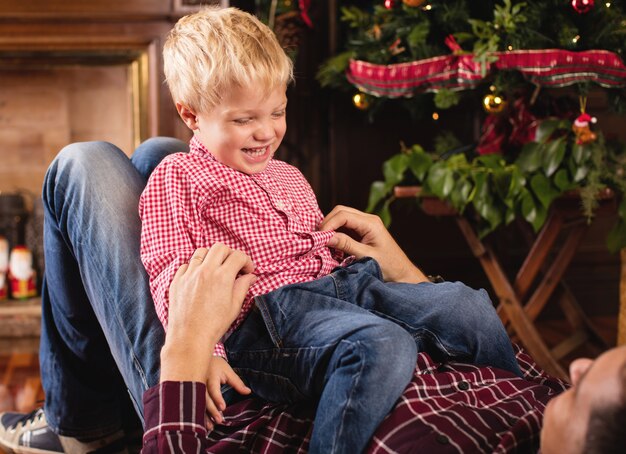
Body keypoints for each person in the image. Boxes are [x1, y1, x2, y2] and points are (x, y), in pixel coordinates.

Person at [0, 137, 620, 453]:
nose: (578, 364)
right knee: (172, 159)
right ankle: (80, 424)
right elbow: (467, 327)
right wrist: (400, 270)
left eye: (588, 383)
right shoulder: (548, 401)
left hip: (231, 390)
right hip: (332, 307)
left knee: (86, 166)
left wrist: (188, 348)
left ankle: (91, 431)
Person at [138, 7, 522, 453]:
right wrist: (208, 352)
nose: (266, 132)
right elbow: (169, 271)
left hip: (346, 286)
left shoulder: (288, 174)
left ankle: (508, 405)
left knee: (466, 305)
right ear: (191, 115)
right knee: (379, 346)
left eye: (277, 112)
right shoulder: (178, 176)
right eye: (244, 120)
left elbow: (316, 250)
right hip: (269, 320)